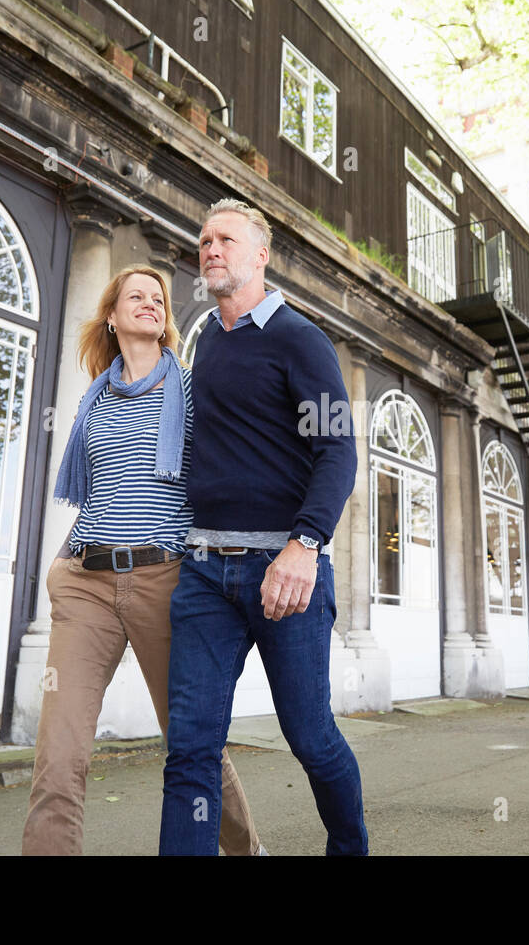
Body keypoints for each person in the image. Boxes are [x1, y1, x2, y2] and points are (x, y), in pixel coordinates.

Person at [22, 264, 262, 856]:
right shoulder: (94, 401)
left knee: (194, 744)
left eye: (159, 298)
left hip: (166, 579)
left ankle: (249, 852)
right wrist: (60, 566)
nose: (152, 303)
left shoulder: (192, 388)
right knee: (58, 752)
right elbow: (98, 489)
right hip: (85, 582)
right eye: (137, 296)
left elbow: (230, 472)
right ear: (113, 314)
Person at [158, 199, 367, 856]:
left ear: (260, 256)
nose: (210, 248)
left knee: (310, 738)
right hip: (204, 577)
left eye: (225, 239)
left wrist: (306, 544)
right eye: (203, 240)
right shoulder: (210, 343)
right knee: (190, 746)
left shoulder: (297, 338)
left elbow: (338, 448)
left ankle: (349, 848)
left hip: (286, 572)